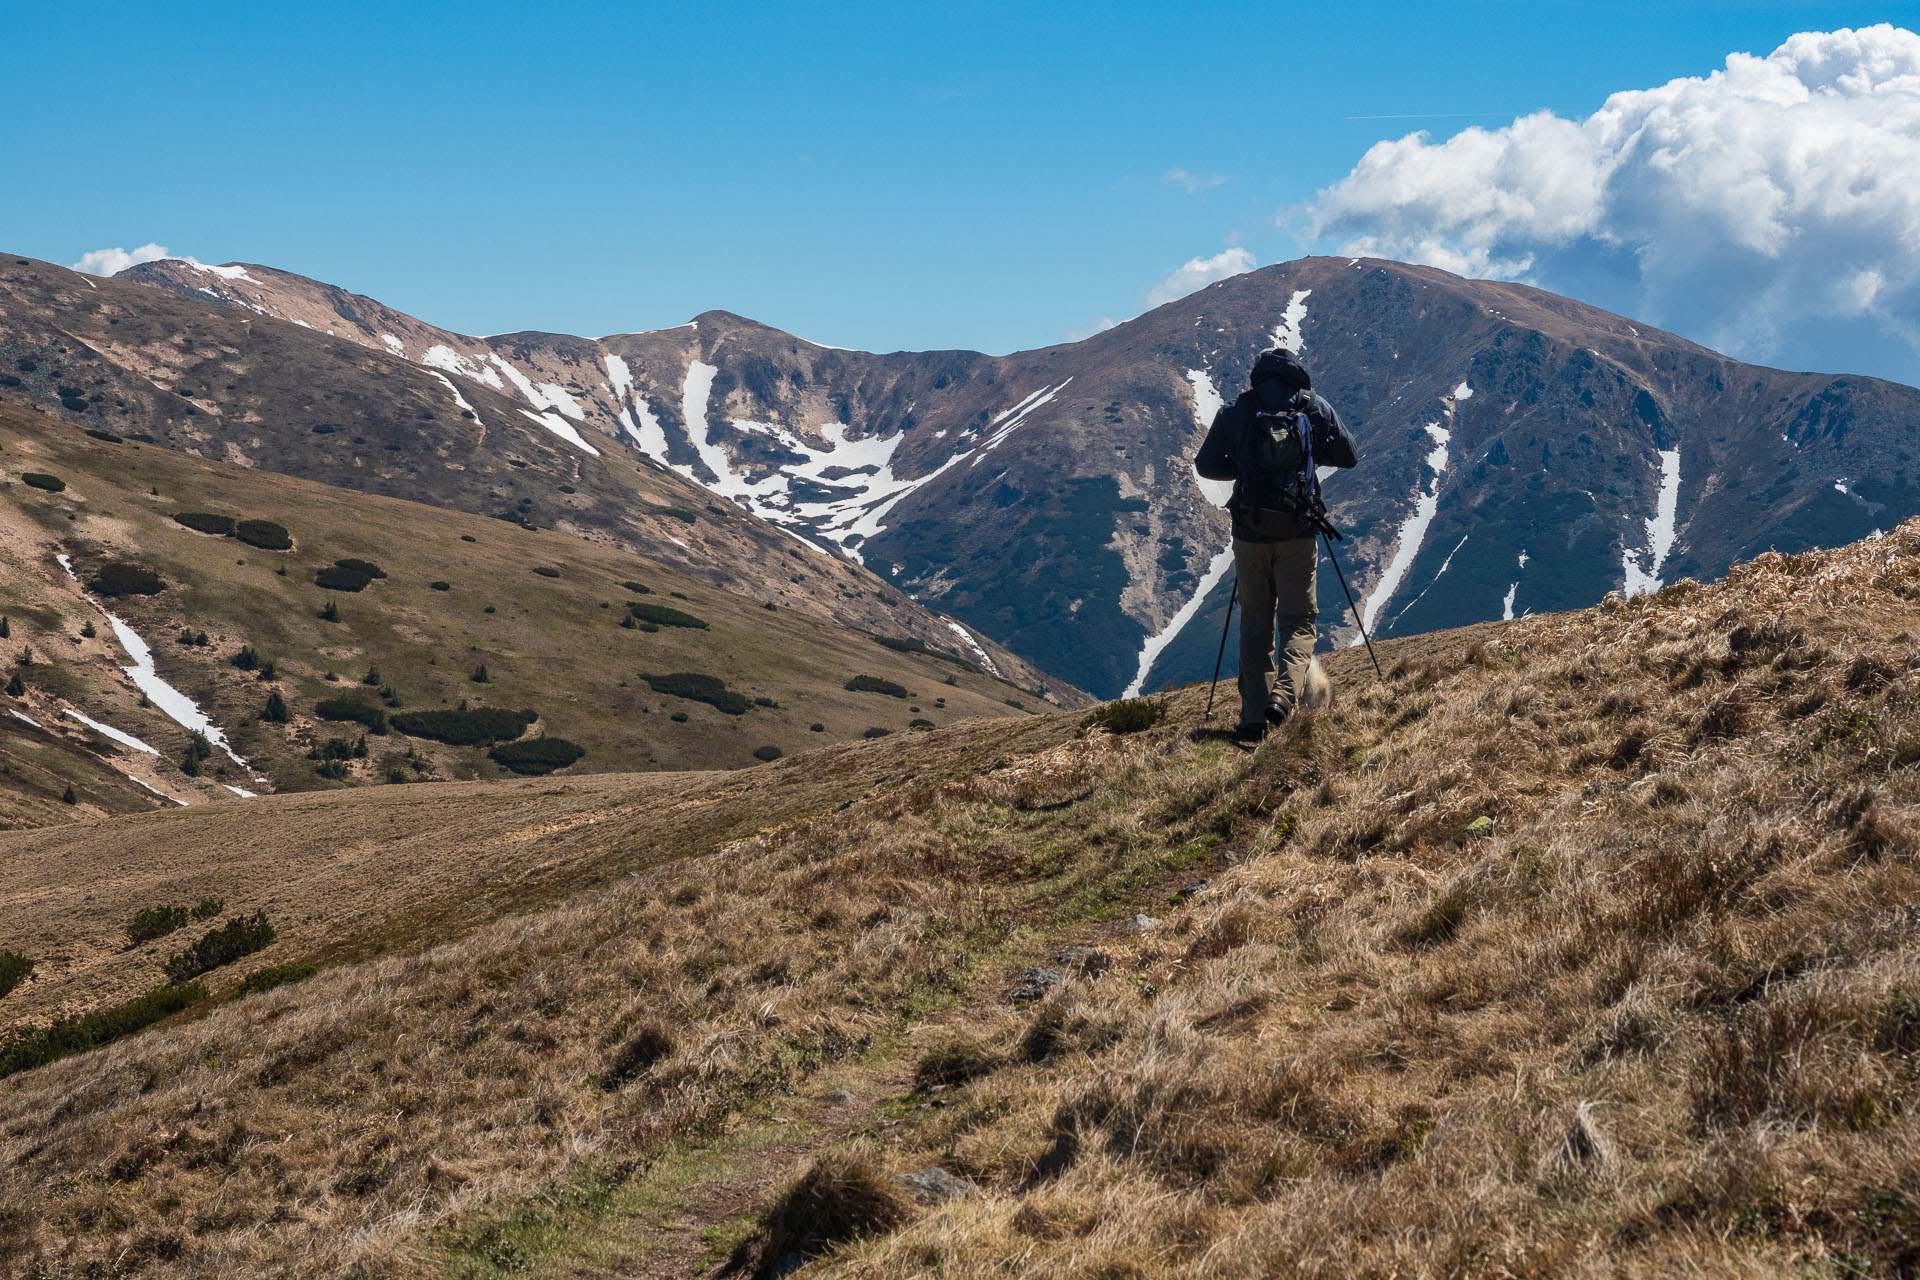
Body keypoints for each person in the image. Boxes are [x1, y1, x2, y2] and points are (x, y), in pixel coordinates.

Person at [1194, 347, 1358, 741]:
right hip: (1298, 532)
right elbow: (1349, 455)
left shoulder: (1238, 410)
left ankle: (1253, 719)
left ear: (1259, 374)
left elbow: (1206, 464)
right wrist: (1309, 456)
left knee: (1255, 622)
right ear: (1296, 374)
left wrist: (1247, 467)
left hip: (1250, 532)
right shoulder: (1314, 407)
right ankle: (1284, 697)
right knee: (1298, 621)